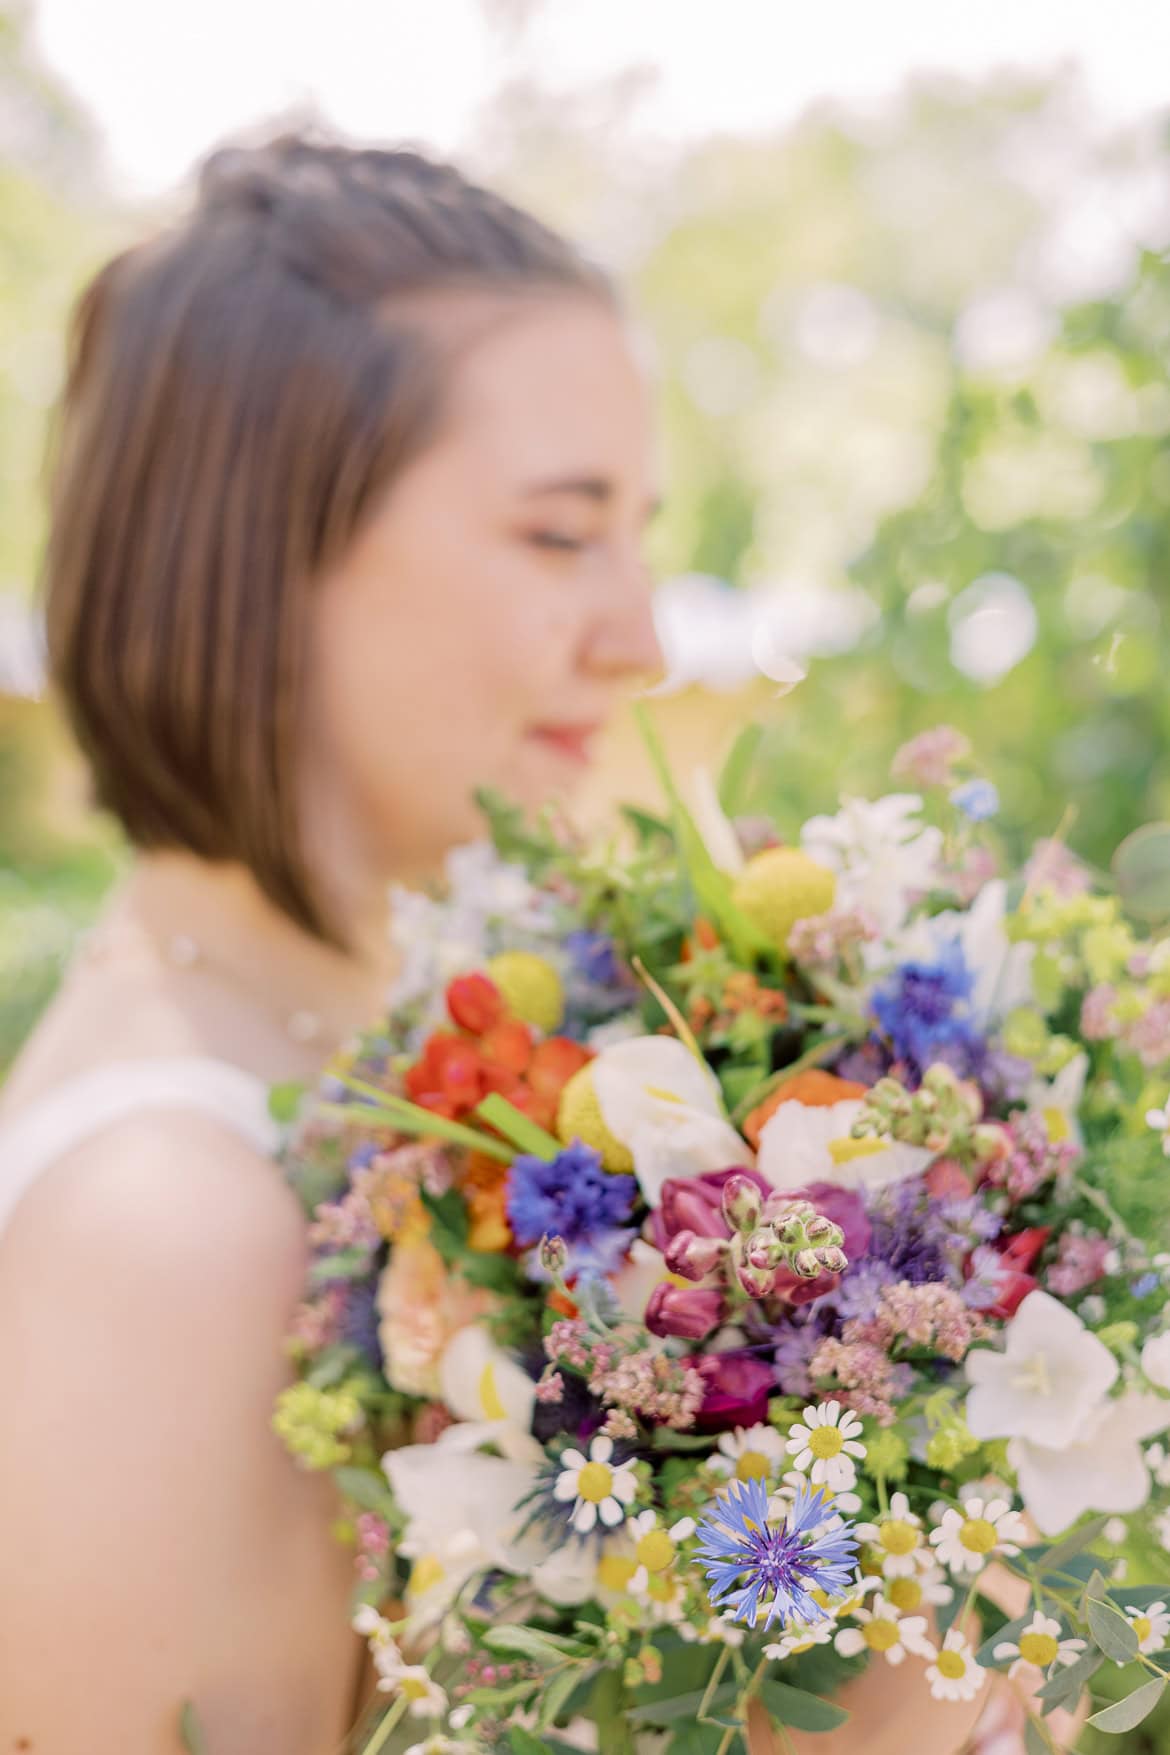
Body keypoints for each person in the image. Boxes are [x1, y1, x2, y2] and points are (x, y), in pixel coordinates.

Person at [0, 132, 1052, 1755]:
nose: (637, 639)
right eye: (561, 536)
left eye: (638, 534)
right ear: (269, 553)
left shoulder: (398, 1057)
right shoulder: (171, 1230)